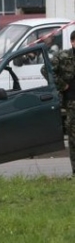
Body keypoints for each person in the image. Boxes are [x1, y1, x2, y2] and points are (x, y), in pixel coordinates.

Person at [42, 30, 75, 175]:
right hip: (71, 102)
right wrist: (62, 85)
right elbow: (46, 70)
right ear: (72, 42)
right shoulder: (63, 56)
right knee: (73, 139)